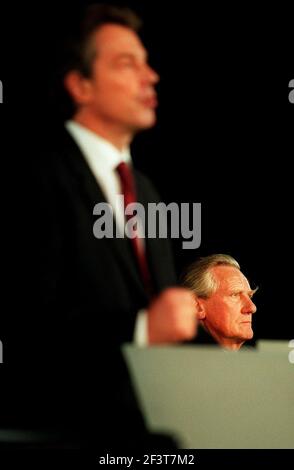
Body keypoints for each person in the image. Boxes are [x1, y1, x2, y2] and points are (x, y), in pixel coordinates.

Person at [1, 4, 197, 450]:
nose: (151, 77)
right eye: (127, 64)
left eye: (147, 63)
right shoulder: (34, 178)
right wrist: (141, 328)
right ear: (80, 85)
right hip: (60, 433)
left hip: (146, 434)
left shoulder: (145, 189)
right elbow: (25, 328)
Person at [182, 254, 257, 350]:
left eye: (250, 296)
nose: (252, 307)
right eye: (235, 295)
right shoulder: (174, 360)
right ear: (198, 307)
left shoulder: (263, 362)